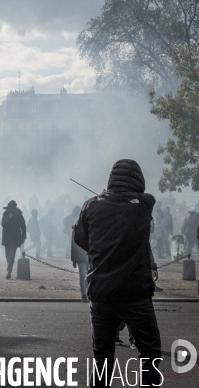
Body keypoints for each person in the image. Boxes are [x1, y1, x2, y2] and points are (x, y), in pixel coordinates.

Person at [74, 159, 161, 386]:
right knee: (150, 352)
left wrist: (102, 199)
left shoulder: (91, 206)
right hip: (135, 293)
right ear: (138, 180)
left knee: (102, 356)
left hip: (102, 292)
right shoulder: (144, 204)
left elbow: (82, 239)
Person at [1, 200, 26, 280]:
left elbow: (23, 226)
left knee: (12, 256)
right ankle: (9, 267)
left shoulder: (19, 214)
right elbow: (3, 224)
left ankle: (9, 272)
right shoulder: (5, 213)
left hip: (15, 237)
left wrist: (23, 236)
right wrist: (8, 218)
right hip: (7, 237)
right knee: (7, 256)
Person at [70, 228, 89, 303]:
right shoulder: (75, 231)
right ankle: (83, 294)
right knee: (82, 276)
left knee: (87, 276)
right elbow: (73, 246)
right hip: (81, 256)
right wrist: (74, 260)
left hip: (87, 256)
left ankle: (83, 289)